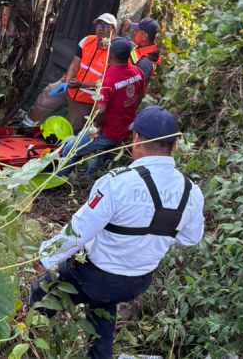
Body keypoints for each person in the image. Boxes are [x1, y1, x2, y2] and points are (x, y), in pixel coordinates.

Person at [30, 106, 205, 359]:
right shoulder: (191, 191)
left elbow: (78, 231)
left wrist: (45, 257)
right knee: (102, 310)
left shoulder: (118, 182)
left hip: (96, 276)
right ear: (173, 145)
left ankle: (25, 340)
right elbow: (190, 238)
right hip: (137, 282)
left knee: (42, 291)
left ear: (137, 139)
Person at [57, 37, 146, 177]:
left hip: (108, 131)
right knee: (103, 157)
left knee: (71, 149)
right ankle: (87, 179)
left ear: (111, 55)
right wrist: (82, 84)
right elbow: (141, 94)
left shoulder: (109, 78)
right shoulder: (137, 72)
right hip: (125, 127)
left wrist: (96, 128)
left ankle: (59, 179)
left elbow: (101, 110)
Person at [22, 13, 118, 132]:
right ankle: (26, 124)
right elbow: (74, 63)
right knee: (45, 98)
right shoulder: (87, 40)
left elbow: (106, 82)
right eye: (99, 25)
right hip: (70, 85)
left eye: (105, 26)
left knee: (75, 128)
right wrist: (67, 82)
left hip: (86, 97)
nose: (101, 29)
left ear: (113, 30)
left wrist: (81, 84)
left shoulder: (113, 53)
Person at [125, 17, 161, 88]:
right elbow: (133, 50)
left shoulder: (145, 63)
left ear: (144, 36)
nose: (134, 32)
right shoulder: (144, 48)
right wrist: (125, 34)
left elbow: (130, 88)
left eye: (137, 31)